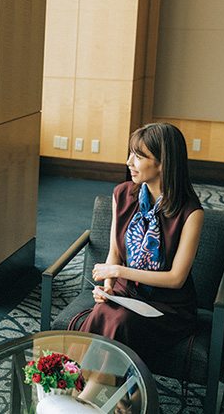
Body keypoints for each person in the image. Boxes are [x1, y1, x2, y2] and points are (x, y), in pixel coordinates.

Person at [68, 123, 204, 365]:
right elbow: (114, 253)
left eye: (139, 156)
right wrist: (109, 286)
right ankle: (94, 390)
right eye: (130, 153)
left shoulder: (190, 212)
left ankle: (96, 395)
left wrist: (117, 272)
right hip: (126, 293)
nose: (129, 162)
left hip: (168, 307)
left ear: (164, 163)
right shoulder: (122, 195)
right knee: (103, 312)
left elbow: (176, 279)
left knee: (119, 322)